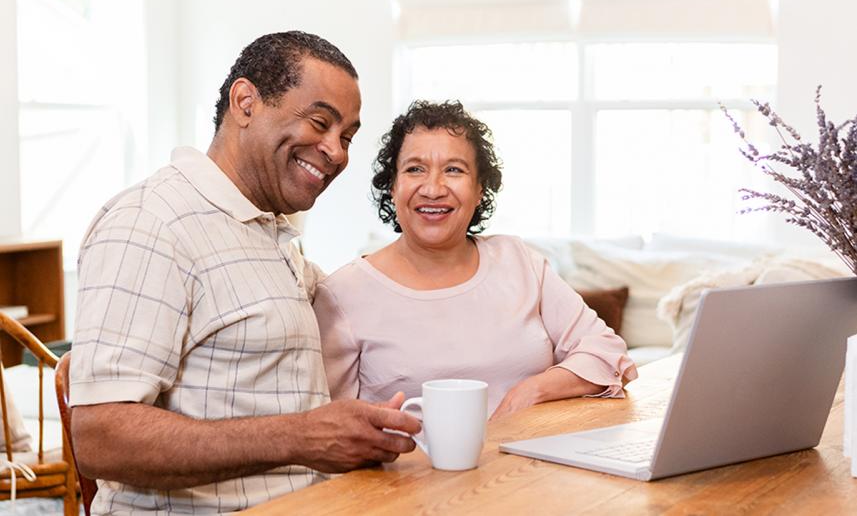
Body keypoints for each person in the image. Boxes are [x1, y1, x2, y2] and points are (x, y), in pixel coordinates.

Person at [69, 31, 420, 514]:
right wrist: (302, 437)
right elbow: (101, 438)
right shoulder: (151, 224)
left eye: (347, 138)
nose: (337, 153)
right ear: (246, 101)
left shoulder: (266, 231)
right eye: (320, 122)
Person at [315, 100, 638, 419]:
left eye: (454, 170)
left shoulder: (520, 262)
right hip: (410, 471)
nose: (433, 188)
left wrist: (530, 391)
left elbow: (606, 352)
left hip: (528, 468)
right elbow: (329, 426)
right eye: (415, 169)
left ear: (479, 188)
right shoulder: (343, 292)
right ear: (394, 186)